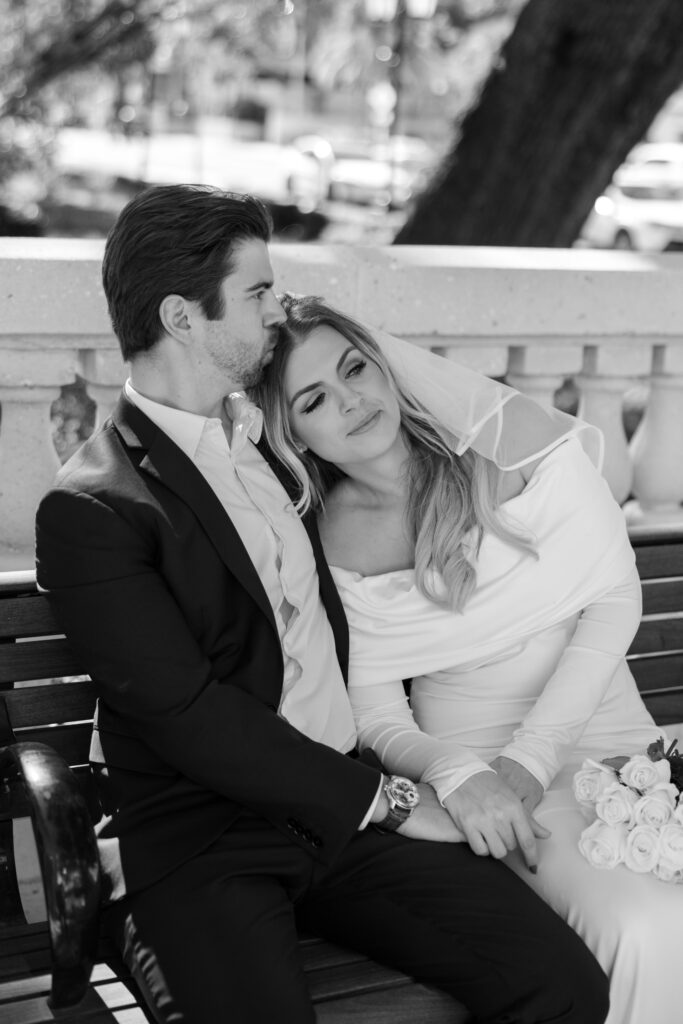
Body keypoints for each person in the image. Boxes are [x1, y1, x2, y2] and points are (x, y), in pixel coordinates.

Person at [34, 184, 609, 1024]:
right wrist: (390, 800)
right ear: (183, 318)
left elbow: (392, 461)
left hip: (345, 826)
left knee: (561, 987)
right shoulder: (95, 507)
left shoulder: (276, 447)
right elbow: (187, 714)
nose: (278, 310)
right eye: (258, 293)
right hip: (211, 846)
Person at [256, 292, 679, 1024]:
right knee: (648, 927)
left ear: (386, 366)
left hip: (618, 745)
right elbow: (375, 712)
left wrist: (538, 751)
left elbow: (611, 597)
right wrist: (458, 775)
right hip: (492, 791)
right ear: (293, 434)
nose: (351, 401)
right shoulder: (327, 545)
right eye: (315, 400)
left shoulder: (506, 447)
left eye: (356, 368)